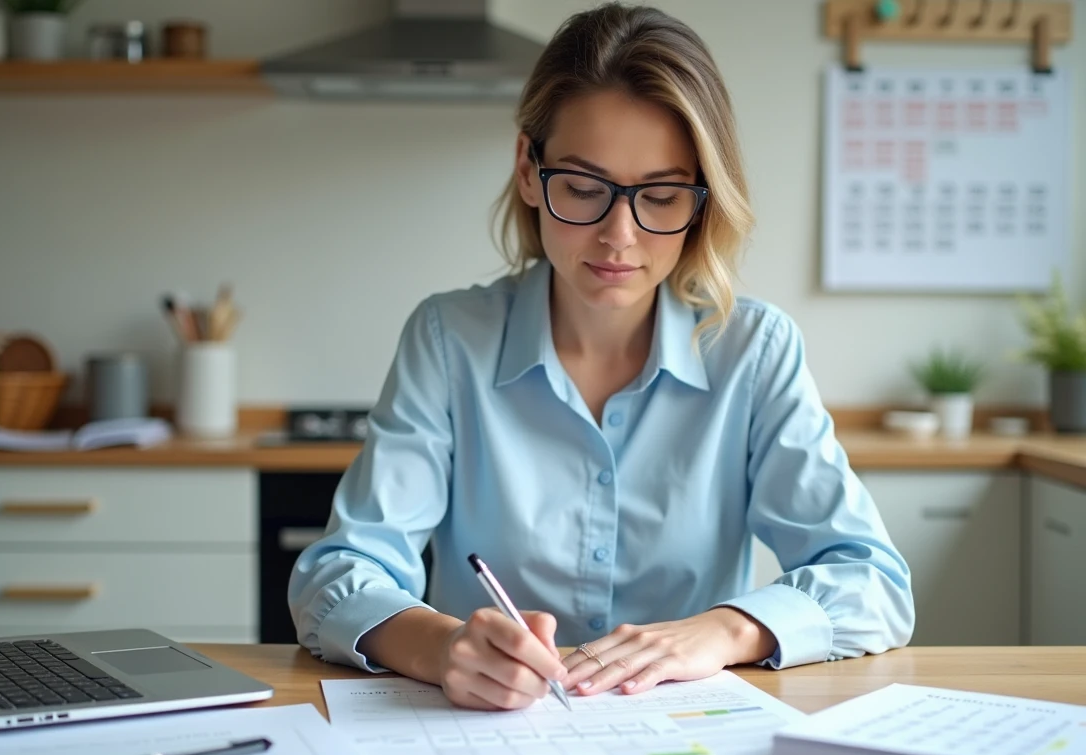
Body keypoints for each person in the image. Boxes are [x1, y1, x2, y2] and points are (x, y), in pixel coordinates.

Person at [288, 2, 914, 711]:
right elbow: (337, 574)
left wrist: (721, 631)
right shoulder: (448, 339)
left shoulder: (755, 352)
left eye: (662, 195)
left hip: (691, 734)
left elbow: (873, 582)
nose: (619, 235)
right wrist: (441, 647)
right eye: (584, 189)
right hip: (488, 732)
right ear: (529, 171)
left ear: (703, 200)